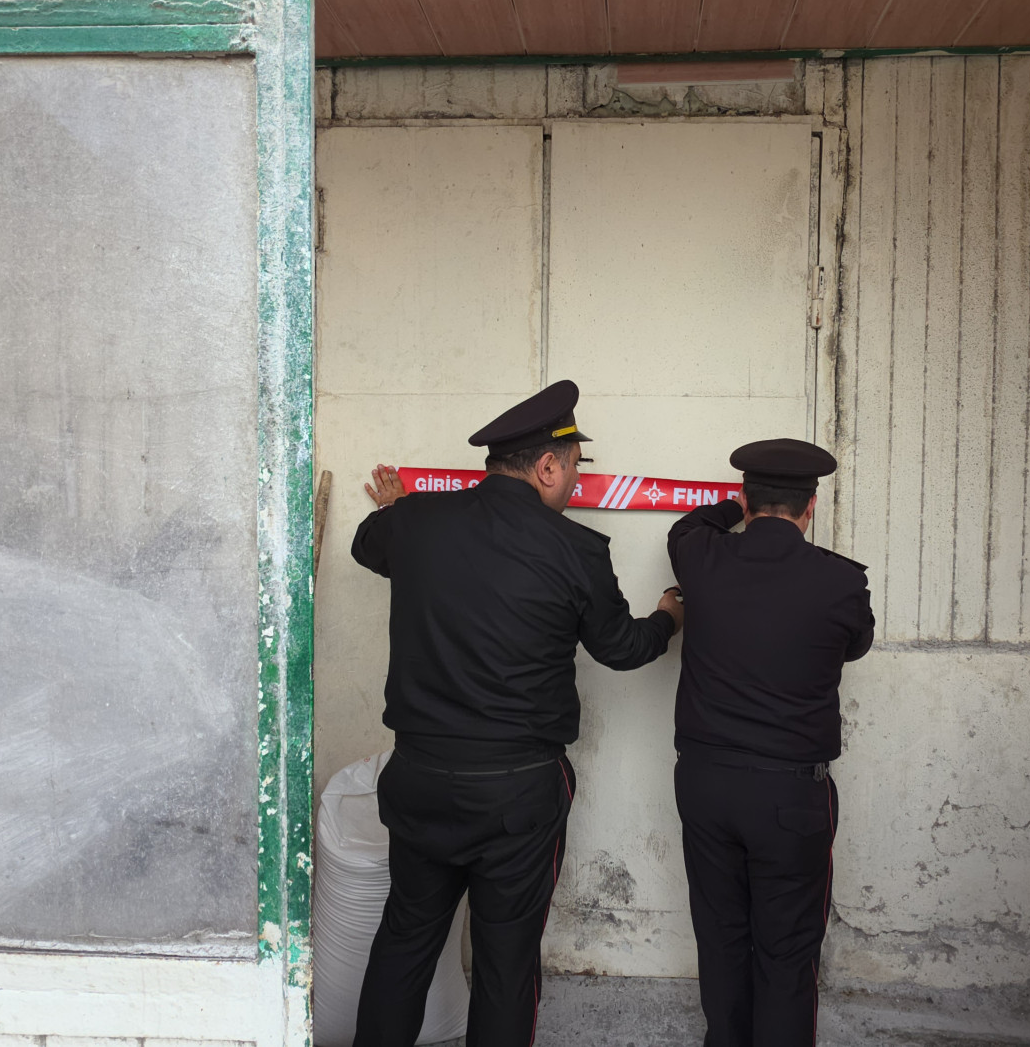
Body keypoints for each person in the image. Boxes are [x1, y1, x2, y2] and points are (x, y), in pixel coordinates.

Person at [350, 380, 685, 1047]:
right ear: (549, 465)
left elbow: (370, 546)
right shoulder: (578, 551)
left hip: (418, 779)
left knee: (405, 942)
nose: (575, 483)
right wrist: (668, 619)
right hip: (517, 795)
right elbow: (619, 649)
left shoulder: (415, 523)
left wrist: (394, 510)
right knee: (506, 964)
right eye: (575, 468)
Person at [666, 438, 875, 1047]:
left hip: (705, 786)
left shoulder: (700, 557)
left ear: (742, 498)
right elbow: (855, 646)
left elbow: (690, 525)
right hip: (790, 798)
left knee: (721, 936)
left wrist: (737, 515)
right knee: (786, 955)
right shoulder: (840, 582)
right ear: (810, 507)